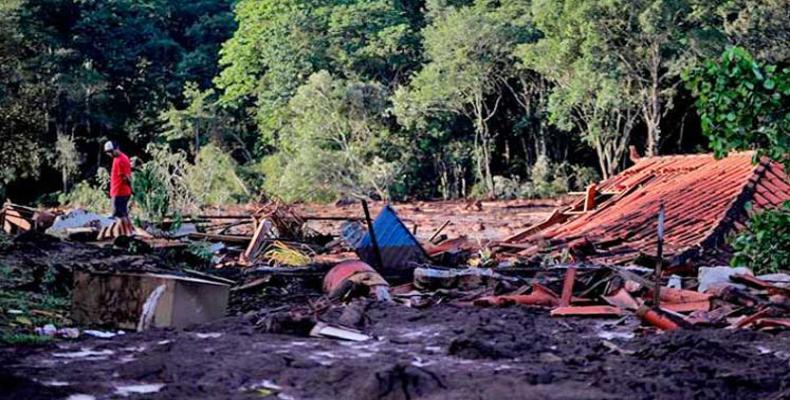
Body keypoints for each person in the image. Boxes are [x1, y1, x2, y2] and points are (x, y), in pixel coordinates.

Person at [104, 140, 134, 236]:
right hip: (121, 191)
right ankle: (129, 233)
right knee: (123, 214)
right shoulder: (121, 158)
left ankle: (121, 236)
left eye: (111, 151)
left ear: (116, 149)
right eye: (108, 152)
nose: (109, 154)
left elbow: (126, 177)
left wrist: (131, 187)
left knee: (119, 216)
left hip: (120, 192)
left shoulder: (120, 160)